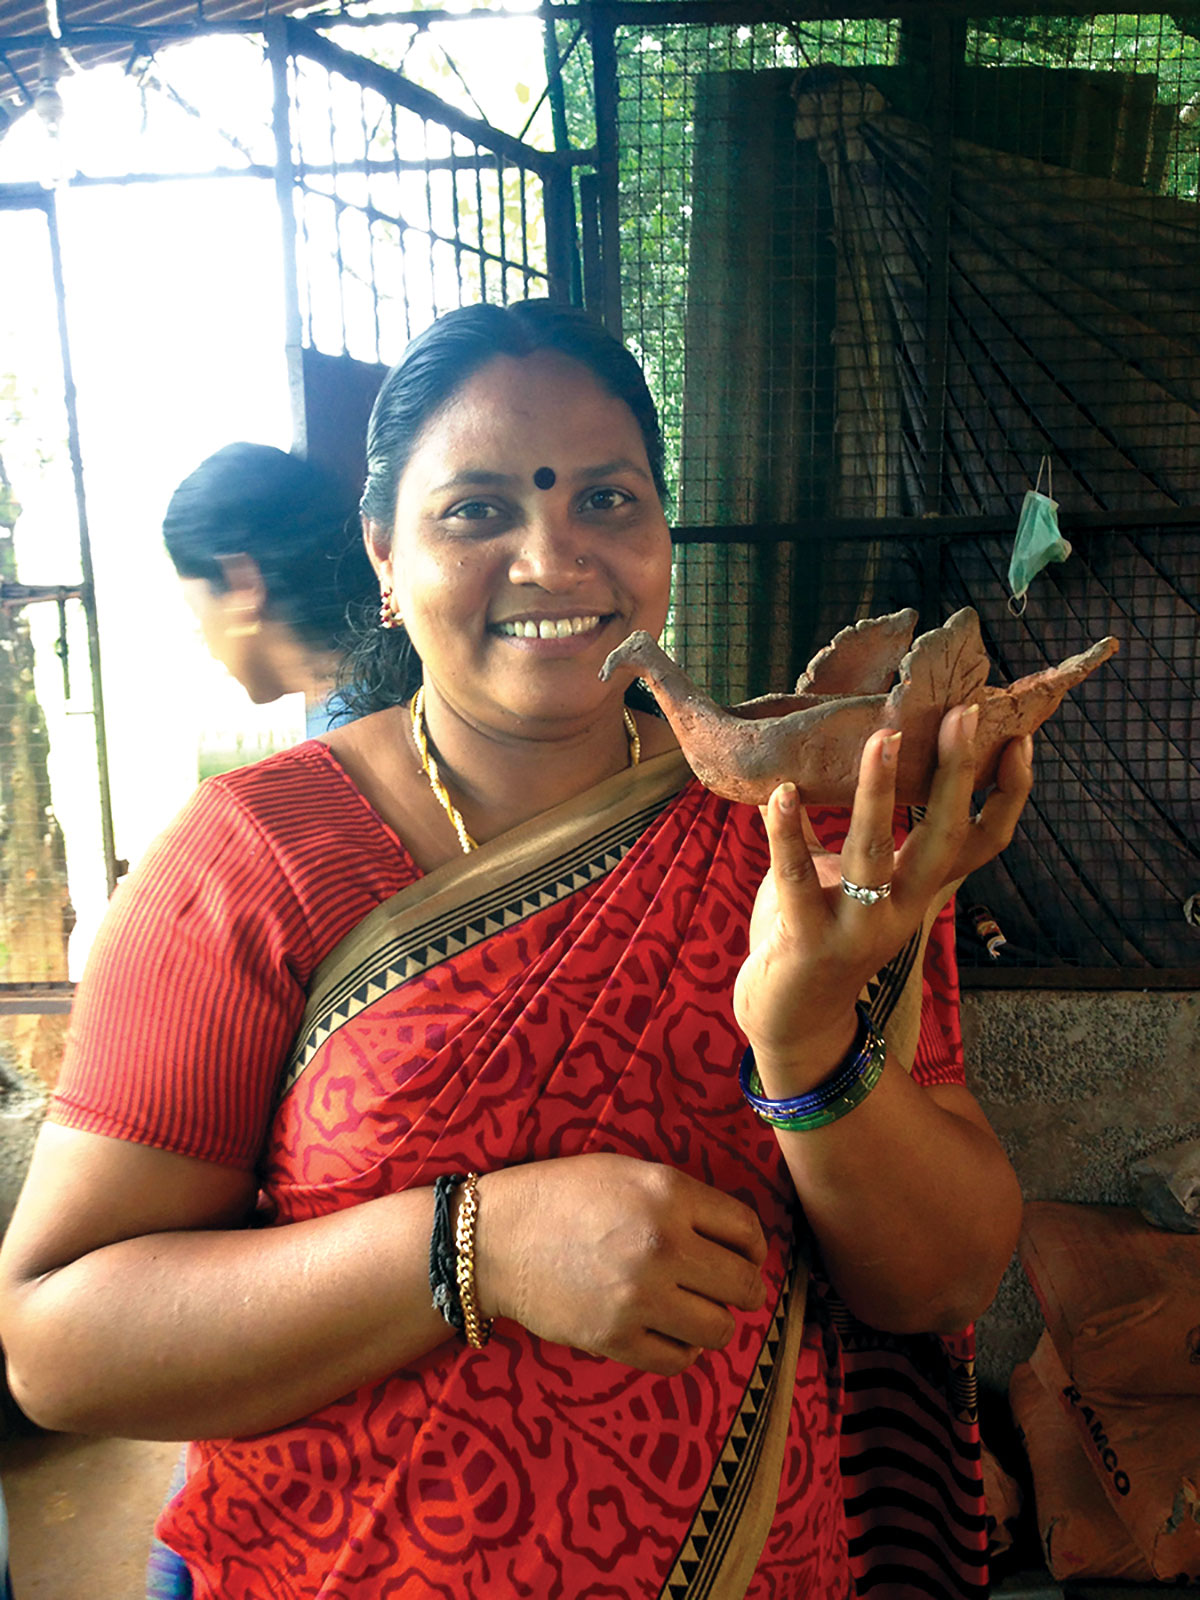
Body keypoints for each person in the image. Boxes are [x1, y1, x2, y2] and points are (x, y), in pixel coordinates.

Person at [0, 301, 1030, 1600]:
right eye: (478, 510)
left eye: (607, 500)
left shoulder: (801, 835)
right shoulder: (254, 862)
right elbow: (58, 1342)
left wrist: (810, 1039)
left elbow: (937, 1278)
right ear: (381, 554)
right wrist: (466, 1249)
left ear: (661, 536)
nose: (554, 557)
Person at [163, 441, 377, 735]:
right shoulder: (411, 696)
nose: (205, 642)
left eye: (197, 612)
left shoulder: (338, 750)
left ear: (243, 585)